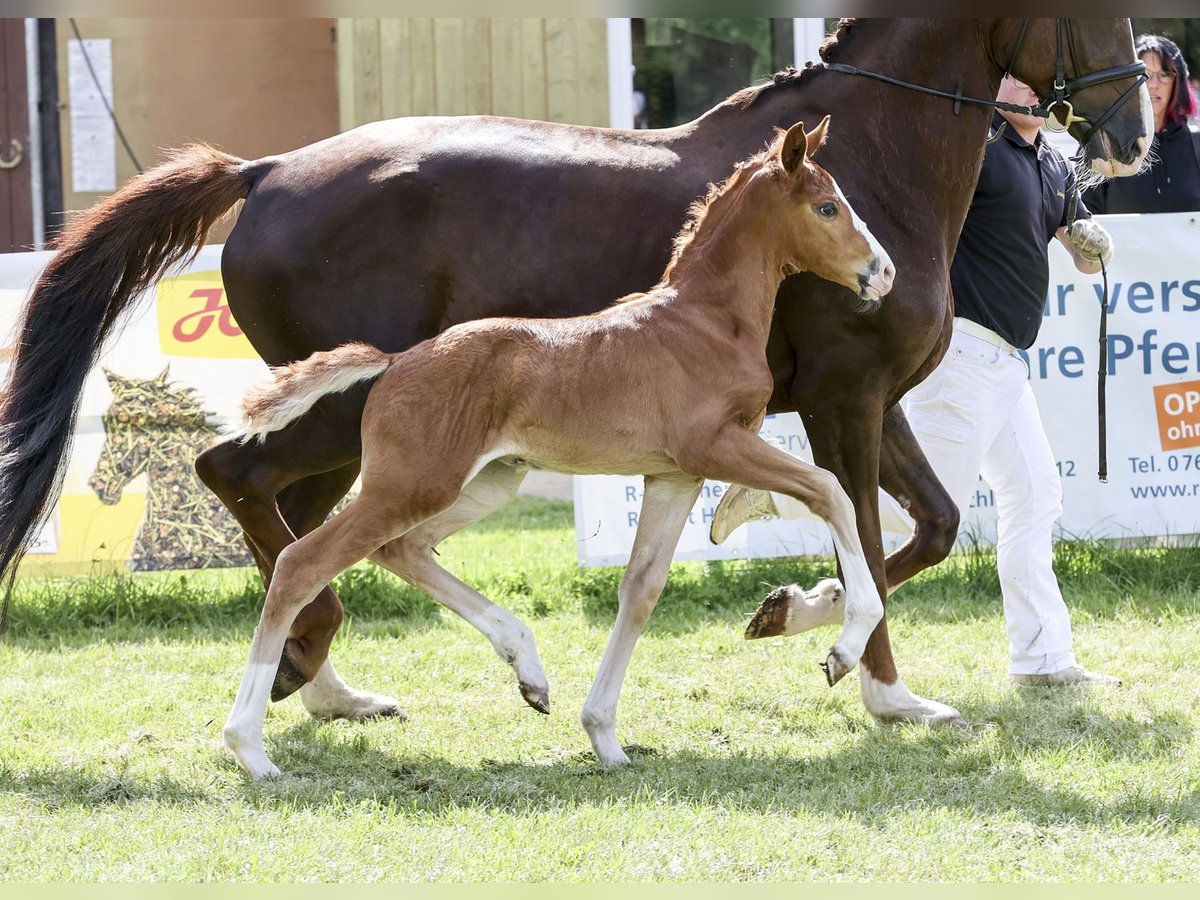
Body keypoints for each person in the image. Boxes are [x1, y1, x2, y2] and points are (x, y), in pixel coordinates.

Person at [711, 76, 1119, 687]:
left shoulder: (1055, 163)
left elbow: (1084, 256)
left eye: (1040, 86)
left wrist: (1094, 243)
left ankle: (1042, 660)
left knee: (1035, 498)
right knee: (924, 512)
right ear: (1001, 83)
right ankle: (785, 493)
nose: (1031, 93)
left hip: (1010, 364)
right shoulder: (975, 151)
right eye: (1019, 80)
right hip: (962, 355)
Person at [1082, 34, 1200, 213]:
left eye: (1165, 74)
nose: (1153, 84)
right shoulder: (1103, 145)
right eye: (1144, 74)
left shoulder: (1197, 144)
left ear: (1179, 84)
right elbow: (1085, 220)